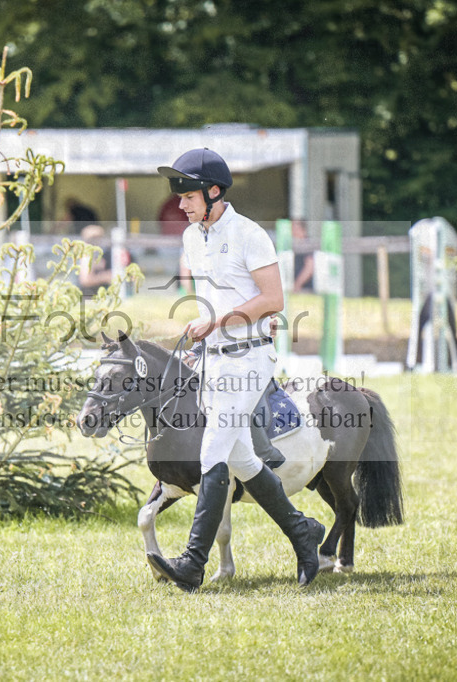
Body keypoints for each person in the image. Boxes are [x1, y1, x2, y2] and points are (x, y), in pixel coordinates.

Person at [148, 148, 325, 591]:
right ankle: (303, 532)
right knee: (242, 459)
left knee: (212, 454)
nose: (180, 205)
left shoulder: (250, 234)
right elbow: (211, 298)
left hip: (249, 359)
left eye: (188, 197)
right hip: (213, 359)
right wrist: (202, 339)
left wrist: (216, 323)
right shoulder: (192, 237)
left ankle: (192, 564)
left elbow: (273, 299)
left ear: (214, 192)